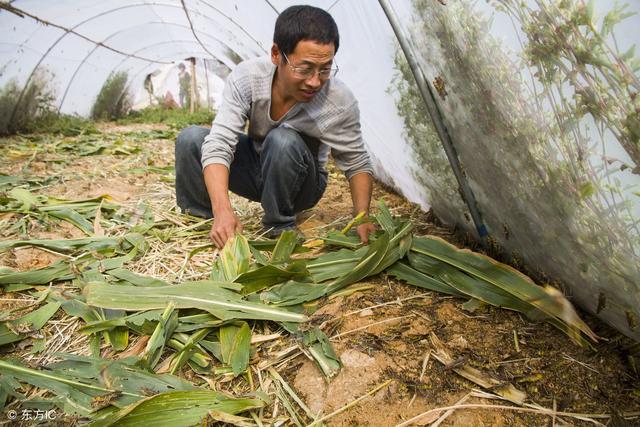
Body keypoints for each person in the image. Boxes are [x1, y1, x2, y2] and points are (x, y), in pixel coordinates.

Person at [175, 5, 375, 249]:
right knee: (191, 139)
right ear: (276, 54)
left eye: (325, 69)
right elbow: (220, 144)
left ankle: (278, 227)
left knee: (283, 140)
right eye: (304, 68)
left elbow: (356, 162)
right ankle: (202, 223)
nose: (314, 81)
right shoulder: (248, 77)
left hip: (302, 184)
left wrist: (362, 217)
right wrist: (223, 211)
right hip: (258, 167)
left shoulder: (339, 101)